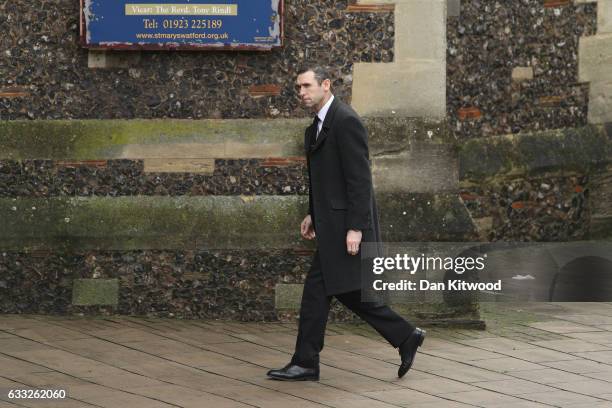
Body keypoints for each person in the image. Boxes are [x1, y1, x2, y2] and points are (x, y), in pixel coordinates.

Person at [266, 65, 425, 381]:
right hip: (330, 225)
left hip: (345, 228)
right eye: (298, 88)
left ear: (326, 85)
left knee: (323, 292)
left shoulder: (346, 121)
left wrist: (356, 228)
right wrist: (313, 213)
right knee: (339, 292)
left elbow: (360, 181)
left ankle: (307, 362)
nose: (301, 93)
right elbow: (324, 182)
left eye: (307, 86)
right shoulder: (314, 129)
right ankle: (405, 336)